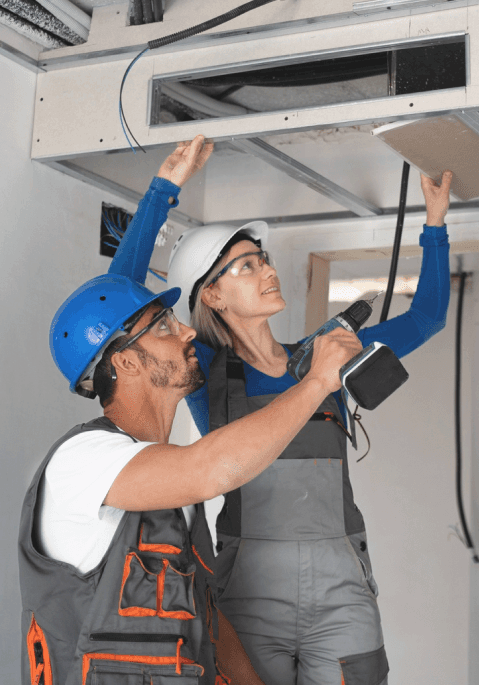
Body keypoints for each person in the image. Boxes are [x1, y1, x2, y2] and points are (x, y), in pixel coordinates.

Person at [109, 135, 453, 685]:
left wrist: (434, 226)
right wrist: (162, 191)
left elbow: (428, 317)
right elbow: (117, 304)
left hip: (343, 580)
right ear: (213, 295)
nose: (267, 270)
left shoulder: (325, 359)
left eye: (263, 259)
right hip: (250, 585)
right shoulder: (205, 372)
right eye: (246, 266)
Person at [19, 139, 365, 685]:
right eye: (163, 327)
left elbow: (208, 618)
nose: (186, 330)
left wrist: (163, 189)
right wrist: (318, 380)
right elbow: (212, 468)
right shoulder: (82, 460)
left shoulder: (171, 497)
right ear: (124, 364)